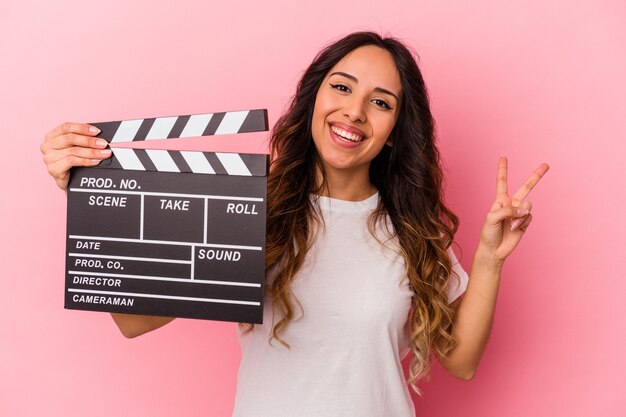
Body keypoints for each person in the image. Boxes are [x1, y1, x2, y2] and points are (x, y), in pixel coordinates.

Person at [40, 31, 549, 417]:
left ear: (395, 132)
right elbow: (136, 321)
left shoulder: (412, 230)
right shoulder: (249, 209)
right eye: (342, 87)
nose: (354, 111)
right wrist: (91, 197)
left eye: (380, 102)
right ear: (314, 100)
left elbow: (460, 362)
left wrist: (487, 259)